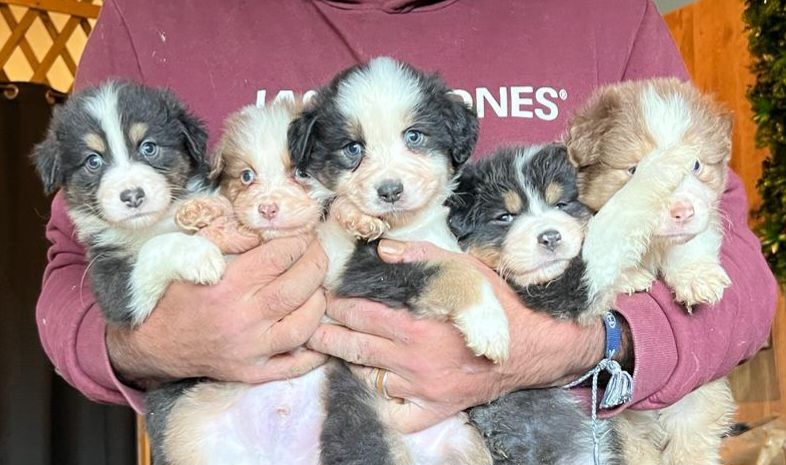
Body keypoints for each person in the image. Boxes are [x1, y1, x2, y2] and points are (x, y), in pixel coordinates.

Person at [37, 0, 777, 432]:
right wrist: (157, 341)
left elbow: (739, 275)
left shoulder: (604, 13)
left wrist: (580, 344)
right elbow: (70, 277)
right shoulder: (155, 15)